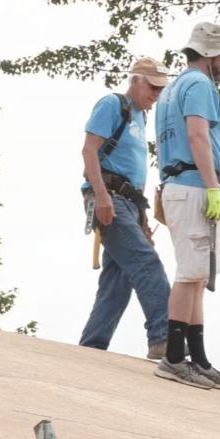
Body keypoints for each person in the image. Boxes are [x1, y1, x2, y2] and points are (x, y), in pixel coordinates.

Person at [152, 23, 220, 390]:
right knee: (190, 274)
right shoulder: (201, 85)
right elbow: (198, 134)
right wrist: (213, 187)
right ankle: (174, 357)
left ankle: (197, 357)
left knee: (199, 274)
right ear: (210, 55)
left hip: (179, 183)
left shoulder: (173, 88)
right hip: (193, 185)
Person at [80, 57, 173, 359]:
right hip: (109, 197)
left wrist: (143, 219)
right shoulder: (112, 104)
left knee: (117, 280)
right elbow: (89, 150)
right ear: (136, 80)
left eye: (161, 90)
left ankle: (92, 345)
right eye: (153, 87)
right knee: (147, 263)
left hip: (130, 203)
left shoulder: (140, 117)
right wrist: (101, 195)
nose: (156, 95)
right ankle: (164, 338)